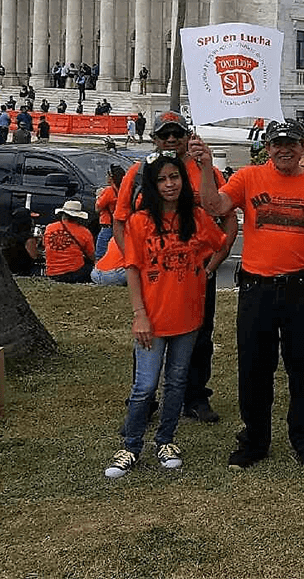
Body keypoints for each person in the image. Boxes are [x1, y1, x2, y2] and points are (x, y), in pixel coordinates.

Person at [196, 120, 304, 470]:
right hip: (257, 288)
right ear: (267, 147)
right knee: (254, 368)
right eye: (277, 144)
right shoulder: (248, 178)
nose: (283, 150)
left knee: (303, 367)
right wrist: (204, 167)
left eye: (291, 143)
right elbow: (215, 206)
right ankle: (254, 441)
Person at [104, 154, 228, 479]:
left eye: (174, 177)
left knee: (176, 383)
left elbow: (220, 242)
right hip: (151, 320)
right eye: (162, 179)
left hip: (187, 317)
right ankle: (130, 446)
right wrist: (139, 315)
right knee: (144, 386)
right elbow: (132, 269)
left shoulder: (197, 217)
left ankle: (166, 441)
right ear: (152, 185)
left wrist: (207, 269)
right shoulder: (139, 222)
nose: (170, 184)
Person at [115, 111, 237, 424]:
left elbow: (227, 219)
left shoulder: (203, 170)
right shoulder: (140, 172)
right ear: (153, 138)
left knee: (199, 334)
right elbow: (121, 221)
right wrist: (136, 262)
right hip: (153, 273)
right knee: (147, 334)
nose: (171, 140)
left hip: (195, 271)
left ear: (187, 136)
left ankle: (194, 397)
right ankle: (144, 397)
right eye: (164, 135)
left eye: (177, 134)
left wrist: (214, 264)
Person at [42, 201, 96, 283]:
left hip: (52, 273)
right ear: (78, 217)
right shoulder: (84, 232)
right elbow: (91, 255)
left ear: (62, 214)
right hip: (75, 272)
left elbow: (44, 245)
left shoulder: (49, 228)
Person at [94, 164, 125, 259]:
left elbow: (97, 208)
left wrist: (99, 196)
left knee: (100, 255)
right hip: (122, 226)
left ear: (111, 178)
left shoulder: (109, 191)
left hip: (108, 226)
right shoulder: (125, 190)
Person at [1, 208, 42, 276]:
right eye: (31, 219)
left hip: (7, 270)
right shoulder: (28, 238)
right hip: (23, 271)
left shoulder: (7, 234)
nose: (33, 221)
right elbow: (34, 256)